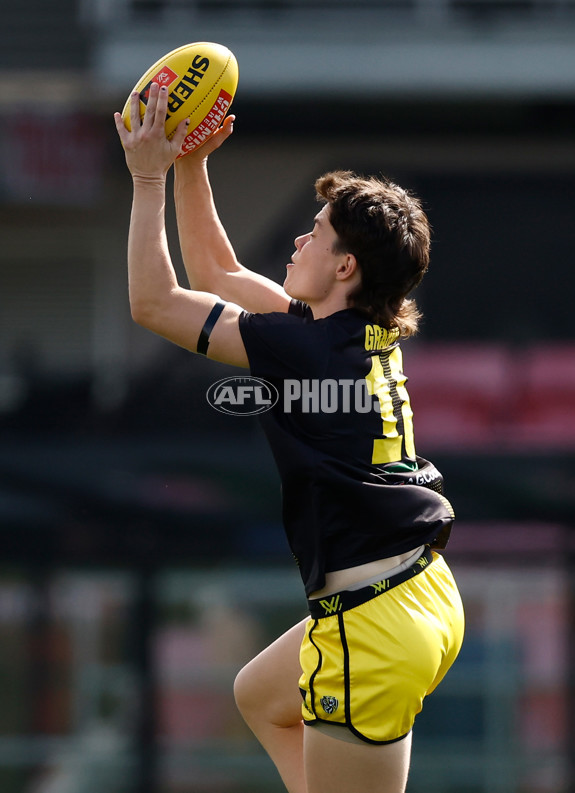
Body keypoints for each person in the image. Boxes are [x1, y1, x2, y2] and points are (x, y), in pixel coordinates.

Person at [115, 82, 464, 793]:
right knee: (260, 694)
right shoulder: (350, 329)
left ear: (344, 268)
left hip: (370, 624)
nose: (299, 238)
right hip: (421, 592)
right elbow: (217, 272)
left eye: (316, 231)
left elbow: (154, 302)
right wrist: (190, 162)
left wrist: (148, 175)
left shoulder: (303, 347)